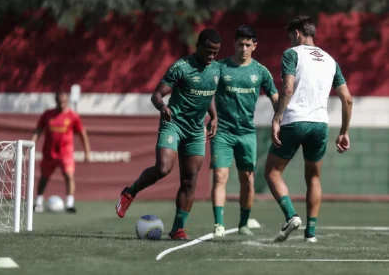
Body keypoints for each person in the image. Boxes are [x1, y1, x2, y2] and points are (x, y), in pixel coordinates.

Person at [115, 28, 222, 240]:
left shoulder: (216, 69)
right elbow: (157, 94)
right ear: (198, 46)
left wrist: (214, 116)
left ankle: (177, 229)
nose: (211, 56)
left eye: (215, 53)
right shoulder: (181, 67)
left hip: (195, 130)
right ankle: (130, 192)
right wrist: (162, 107)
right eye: (208, 51)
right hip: (173, 124)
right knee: (163, 168)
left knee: (190, 180)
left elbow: (209, 92)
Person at [265, 15, 353, 242]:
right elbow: (347, 99)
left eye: (290, 36)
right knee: (313, 177)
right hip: (320, 124)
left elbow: (287, 88)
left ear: (297, 33)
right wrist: (344, 131)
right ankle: (310, 233)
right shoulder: (331, 60)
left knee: (273, 172)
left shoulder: (291, 53)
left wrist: (277, 118)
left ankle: (291, 216)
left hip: (294, 120)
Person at [210, 25, 278, 238]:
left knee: (247, 180)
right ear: (234, 45)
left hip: (247, 133)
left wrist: (279, 121)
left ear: (254, 46)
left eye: (248, 45)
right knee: (220, 176)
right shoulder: (220, 68)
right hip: (222, 133)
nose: (244, 48)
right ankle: (219, 225)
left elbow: (275, 96)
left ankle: (243, 223)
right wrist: (209, 116)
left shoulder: (260, 71)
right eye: (240, 44)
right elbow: (205, 92)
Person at [32, 91, 91, 213]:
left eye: (64, 102)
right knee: (44, 177)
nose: (62, 104)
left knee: (69, 176)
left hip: (66, 153)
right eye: (59, 102)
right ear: (56, 101)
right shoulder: (47, 115)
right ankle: (38, 203)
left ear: (67, 102)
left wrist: (87, 153)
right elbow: (37, 131)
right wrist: (30, 146)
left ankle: (69, 204)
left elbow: (82, 134)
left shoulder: (73, 116)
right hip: (49, 153)